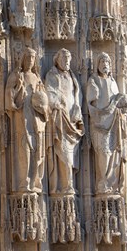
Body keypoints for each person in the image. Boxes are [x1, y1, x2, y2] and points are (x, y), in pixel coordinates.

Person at [5, 47, 49, 193]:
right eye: (28, 57)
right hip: (22, 115)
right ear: (23, 59)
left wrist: (42, 104)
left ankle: (35, 179)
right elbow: (9, 98)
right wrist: (18, 89)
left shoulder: (37, 78)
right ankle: (24, 181)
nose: (30, 61)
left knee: (37, 149)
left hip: (36, 117)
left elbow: (43, 98)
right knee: (25, 147)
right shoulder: (17, 75)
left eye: (33, 58)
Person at [86, 52, 127, 195]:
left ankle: (109, 182)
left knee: (113, 154)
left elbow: (119, 103)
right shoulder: (93, 80)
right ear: (97, 65)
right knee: (103, 152)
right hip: (100, 125)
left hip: (113, 124)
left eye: (108, 63)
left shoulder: (113, 82)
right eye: (102, 62)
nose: (105, 65)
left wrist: (123, 104)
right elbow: (91, 102)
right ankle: (102, 182)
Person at [45, 48, 84, 195]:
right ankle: (64, 186)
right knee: (63, 155)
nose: (67, 62)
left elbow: (76, 97)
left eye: (68, 59)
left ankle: (69, 184)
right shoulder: (52, 75)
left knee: (71, 156)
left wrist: (77, 113)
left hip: (72, 123)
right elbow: (49, 94)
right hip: (59, 121)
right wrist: (58, 103)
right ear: (57, 60)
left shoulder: (72, 77)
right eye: (64, 59)